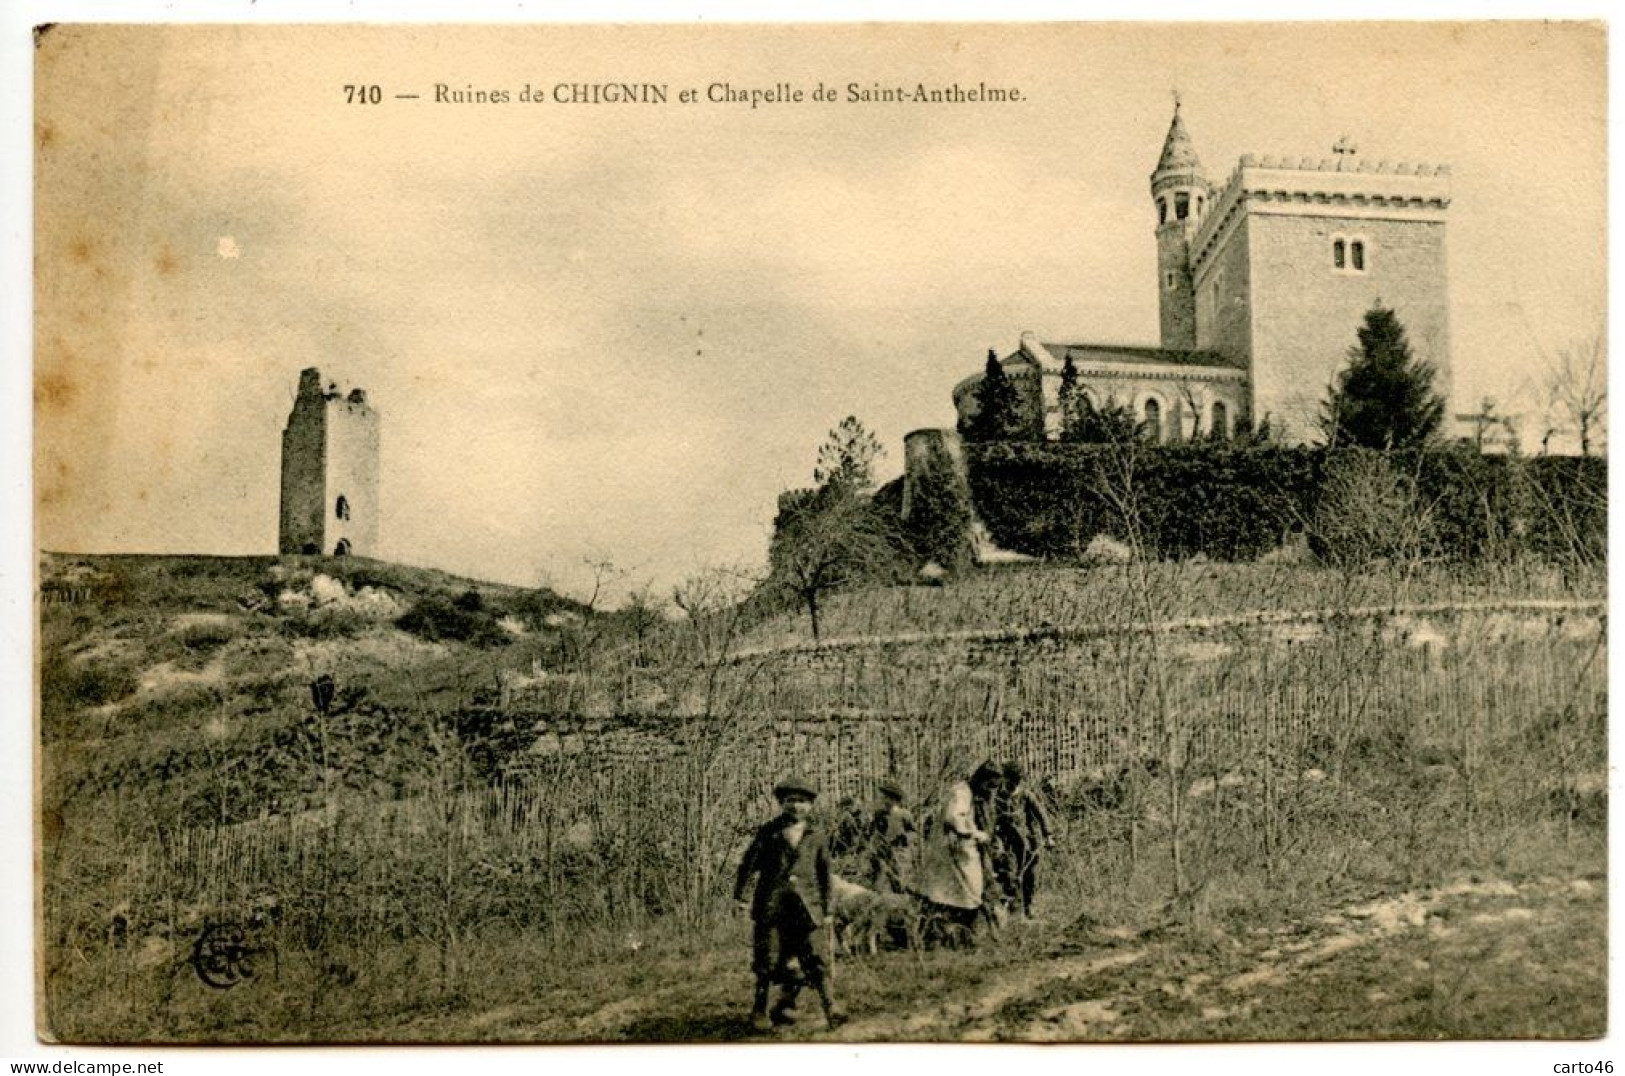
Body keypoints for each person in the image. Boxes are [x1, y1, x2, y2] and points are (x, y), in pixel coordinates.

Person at [733, 776, 841, 1031]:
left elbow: (826, 876)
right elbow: (748, 867)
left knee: (815, 958)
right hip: (772, 908)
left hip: (808, 910)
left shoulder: (817, 836)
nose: (797, 807)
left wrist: (828, 909)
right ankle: (759, 1011)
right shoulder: (768, 833)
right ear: (782, 803)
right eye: (791, 801)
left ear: (811, 806)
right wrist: (741, 897)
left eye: (803, 802)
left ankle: (831, 1008)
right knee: (768, 960)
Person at [915, 772, 990, 947]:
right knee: (959, 893)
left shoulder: (970, 794)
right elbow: (954, 817)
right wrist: (974, 833)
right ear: (981, 781)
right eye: (989, 785)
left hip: (960, 850)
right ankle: (939, 937)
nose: (989, 790)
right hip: (950, 850)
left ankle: (960, 936)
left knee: (965, 893)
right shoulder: (960, 793)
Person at [1000, 761, 1056, 919]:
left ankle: (1028, 907)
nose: (1013, 785)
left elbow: (1041, 814)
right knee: (1009, 874)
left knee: (1029, 875)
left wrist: (1048, 835)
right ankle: (1012, 909)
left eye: (1016, 781)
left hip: (1027, 842)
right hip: (1007, 842)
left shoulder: (1026, 795)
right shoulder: (1000, 796)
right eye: (1010, 781)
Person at [969, 760, 1013, 926]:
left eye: (995, 786)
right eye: (990, 785)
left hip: (988, 848)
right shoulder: (971, 800)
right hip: (974, 850)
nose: (993, 790)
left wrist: (996, 843)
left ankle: (993, 923)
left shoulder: (990, 799)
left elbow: (992, 825)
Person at [868, 780, 915, 894]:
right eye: (883, 797)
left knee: (900, 883)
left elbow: (913, 832)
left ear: (894, 799)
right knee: (879, 884)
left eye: (886, 797)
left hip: (900, 854)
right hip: (883, 854)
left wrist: (905, 838)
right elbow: (872, 832)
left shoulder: (904, 815)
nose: (883, 800)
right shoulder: (879, 814)